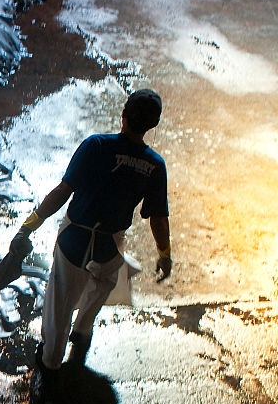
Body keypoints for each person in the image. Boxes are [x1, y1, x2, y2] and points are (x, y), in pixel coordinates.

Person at [10, 88, 172, 372]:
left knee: (59, 306)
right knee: (98, 290)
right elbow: (158, 218)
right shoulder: (154, 166)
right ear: (153, 125)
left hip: (75, 239)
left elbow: (62, 192)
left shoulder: (96, 146)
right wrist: (165, 254)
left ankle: (49, 362)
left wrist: (28, 227)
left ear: (123, 115)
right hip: (110, 244)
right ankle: (82, 334)